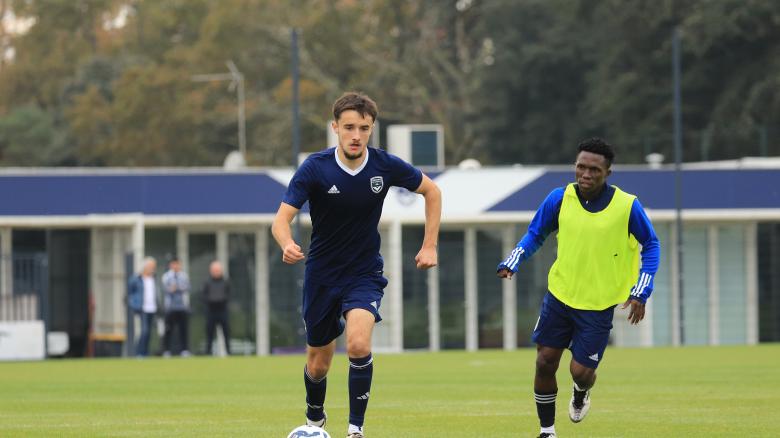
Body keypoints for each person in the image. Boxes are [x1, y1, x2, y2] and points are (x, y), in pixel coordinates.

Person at [272, 91, 441, 438]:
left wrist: (429, 246)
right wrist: (287, 243)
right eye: (349, 127)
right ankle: (315, 417)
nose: (356, 135)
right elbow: (280, 220)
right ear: (335, 127)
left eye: (364, 128)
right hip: (321, 275)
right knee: (318, 363)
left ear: (372, 129)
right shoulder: (315, 168)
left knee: (360, 344)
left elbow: (432, 192)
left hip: (364, 274)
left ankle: (355, 430)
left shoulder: (384, 165)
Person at [497, 138, 660, 438]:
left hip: (598, 305)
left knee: (580, 373)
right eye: (580, 167)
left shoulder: (627, 206)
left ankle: (581, 392)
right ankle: (547, 431)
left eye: (594, 170)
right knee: (545, 361)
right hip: (560, 296)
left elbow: (651, 244)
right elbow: (536, 233)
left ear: (607, 172)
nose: (585, 174)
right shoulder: (559, 199)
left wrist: (641, 290)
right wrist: (514, 260)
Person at [127, 257, 159, 357]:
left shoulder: (154, 278)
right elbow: (130, 293)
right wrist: (134, 304)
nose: (153, 269)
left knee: (149, 332)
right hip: (142, 308)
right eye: (151, 266)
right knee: (144, 331)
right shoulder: (136, 278)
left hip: (152, 308)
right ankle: (139, 352)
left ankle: (145, 352)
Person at [161, 257, 191, 357]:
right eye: (174, 264)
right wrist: (173, 288)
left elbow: (186, 287)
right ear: (171, 265)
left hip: (182, 307)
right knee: (169, 330)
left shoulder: (184, 275)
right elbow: (166, 289)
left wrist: (176, 288)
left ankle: (185, 350)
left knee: (184, 330)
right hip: (170, 307)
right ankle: (166, 350)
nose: (176, 266)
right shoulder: (166, 276)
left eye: (177, 264)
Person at [202, 260, 231, 355]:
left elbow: (229, 295)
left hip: (223, 311)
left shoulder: (226, 282)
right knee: (209, 333)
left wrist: (221, 300)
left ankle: (228, 352)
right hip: (211, 311)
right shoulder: (207, 282)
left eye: (218, 270)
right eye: (214, 270)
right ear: (211, 271)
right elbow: (203, 296)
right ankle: (208, 352)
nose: (216, 272)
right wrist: (211, 300)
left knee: (226, 333)